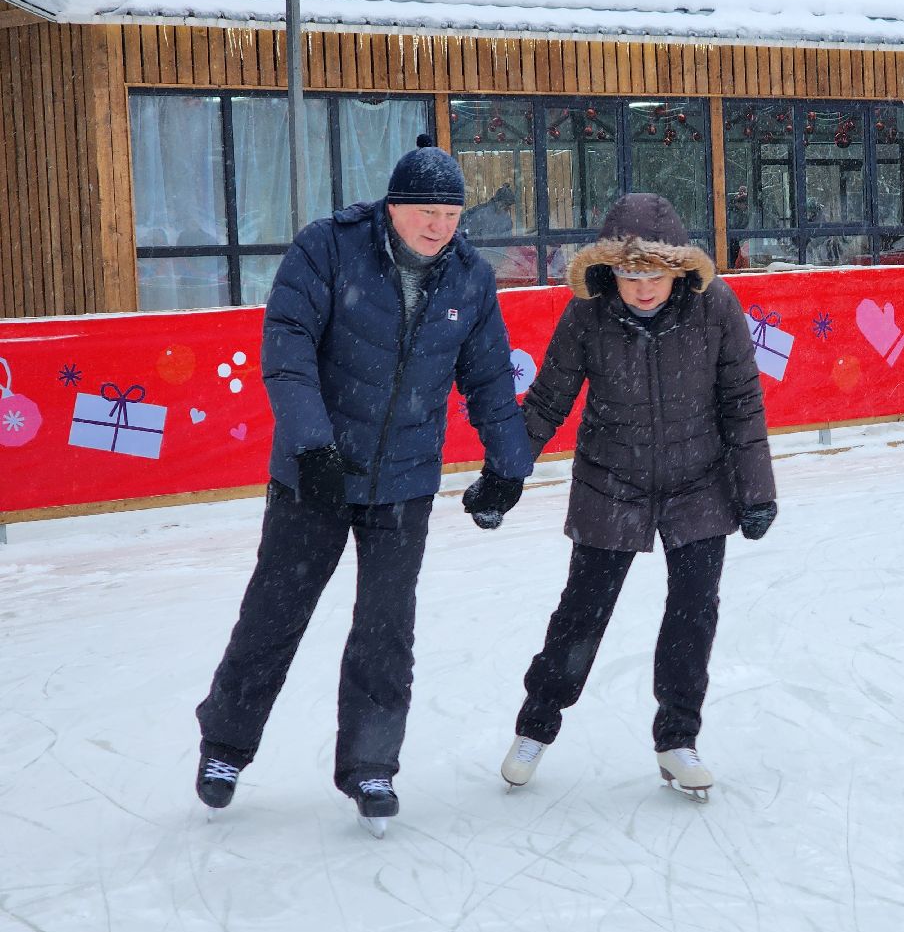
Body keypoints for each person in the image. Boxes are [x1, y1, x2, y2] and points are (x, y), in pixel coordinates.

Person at [195, 135, 534, 835]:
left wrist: (508, 465)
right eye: (425, 212)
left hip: (404, 483)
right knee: (274, 613)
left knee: (386, 631)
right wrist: (313, 449)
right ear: (393, 206)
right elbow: (286, 351)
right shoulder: (328, 248)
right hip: (313, 479)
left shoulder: (468, 278)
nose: (439, 227)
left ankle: (371, 766)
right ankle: (225, 747)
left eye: (451, 214)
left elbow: (490, 379)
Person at [499, 193, 778, 801]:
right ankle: (535, 726)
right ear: (609, 270)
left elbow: (742, 403)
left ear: (677, 268)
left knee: (693, 612)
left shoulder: (715, 308)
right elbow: (548, 400)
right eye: (630, 273)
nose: (643, 288)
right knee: (582, 612)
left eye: (654, 273)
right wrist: (506, 473)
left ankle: (677, 738)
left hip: (699, 481)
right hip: (611, 480)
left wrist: (756, 490)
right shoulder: (588, 316)